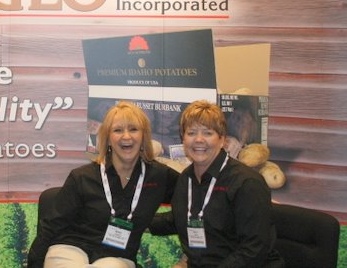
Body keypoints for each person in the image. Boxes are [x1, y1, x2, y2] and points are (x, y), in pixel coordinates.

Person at [28, 101, 179, 268]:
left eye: (133, 129)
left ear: (144, 136)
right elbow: (51, 226)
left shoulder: (160, 176)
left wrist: (148, 222)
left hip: (118, 256)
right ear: (108, 138)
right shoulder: (82, 177)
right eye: (118, 130)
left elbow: (194, 203)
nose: (126, 136)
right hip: (70, 247)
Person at [149, 100, 284, 268]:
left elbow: (254, 249)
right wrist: (134, 219)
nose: (199, 140)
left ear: (222, 140)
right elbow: (178, 219)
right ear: (183, 139)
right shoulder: (186, 178)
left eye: (207, 133)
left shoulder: (246, 183)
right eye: (191, 133)